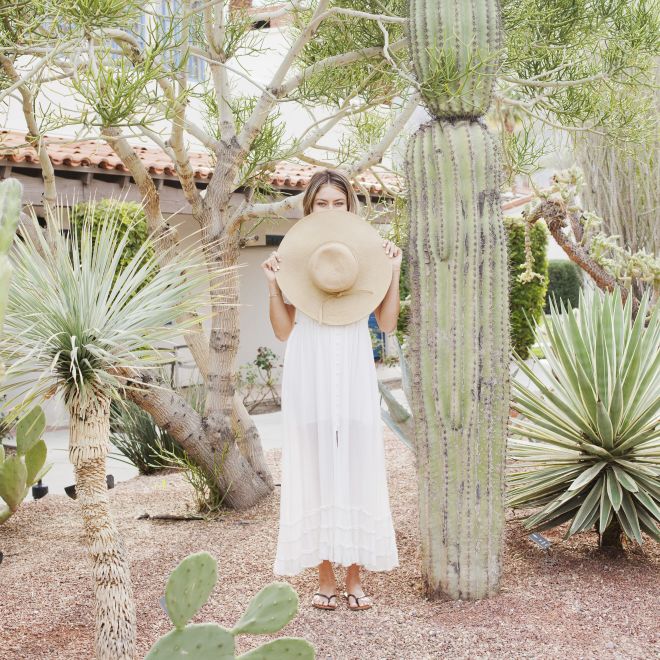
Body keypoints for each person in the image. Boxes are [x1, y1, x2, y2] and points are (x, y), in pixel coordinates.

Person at [261, 169, 402, 611]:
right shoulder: (294, 258)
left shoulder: (368, 254)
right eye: (321, 203)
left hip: (354, 361)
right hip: (308, 361)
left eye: (337, 203)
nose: (329, 210)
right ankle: (324, 576)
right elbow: (283, 332)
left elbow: (388, 323)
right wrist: (272, 287)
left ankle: (356, 577)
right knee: (316, 460)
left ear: (349, 207)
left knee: (357, 458)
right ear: (309, 208)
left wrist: (393, 271)